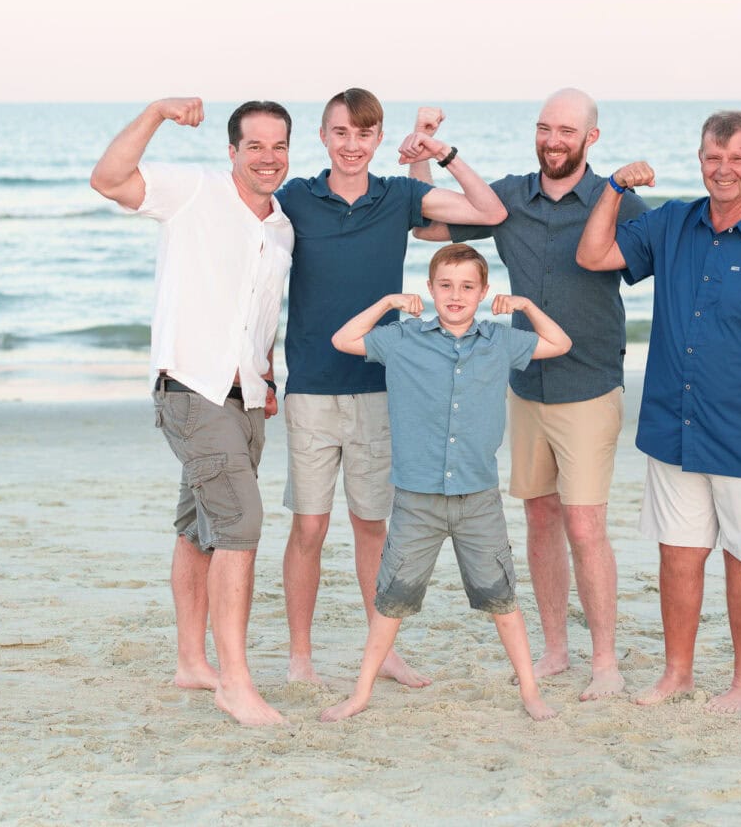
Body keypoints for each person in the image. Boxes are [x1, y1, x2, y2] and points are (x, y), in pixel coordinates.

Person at [576, 110, 741, 714]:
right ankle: (677, 673)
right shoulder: (673, 222)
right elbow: (594, 254)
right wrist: (613, 188)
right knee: (678, 555)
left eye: (737, 159)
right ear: (700, 160)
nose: (724, 170)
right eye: (713, 159)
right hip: (675, 425)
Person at [416, 87, 647, 700]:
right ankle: (554, 650)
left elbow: (667, 259)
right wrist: (419, 150)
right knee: (540, 517)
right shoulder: (510, 196)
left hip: (590, 383)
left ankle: (605, 662)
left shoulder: (614, 202)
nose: (553, 140)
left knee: (585, 525)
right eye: (545, 127)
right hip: (525, 383)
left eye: (567, 131)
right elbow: (425, 225)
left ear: (590, 138)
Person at [275, 89, 506, 689]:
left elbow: (489, 213)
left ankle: (386, 654)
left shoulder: (398, 195)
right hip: (311, 389)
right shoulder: (296, 197)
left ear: (379, 140)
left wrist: (437, 150)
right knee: (309, 527)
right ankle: (300, 656)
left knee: (373, 526)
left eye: (364, 135)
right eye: (341, 133)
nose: (352, 146)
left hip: (381, 389)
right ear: (323, 136)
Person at [89, 97, 294, 726]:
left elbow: (256, 310)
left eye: (278, 146)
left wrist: (264, 373)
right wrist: (155, 112)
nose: (267, 158)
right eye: (254, 146)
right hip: (190, 389)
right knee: (241, 525)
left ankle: (190, 662)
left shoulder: (282, 227)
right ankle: (236, 682)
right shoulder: (193, 192)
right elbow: (108, 179)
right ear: (232, 151)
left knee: (198, 528)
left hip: (245, 400)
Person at [320, 243, 570, 722]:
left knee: (502, 597)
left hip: (479, 498)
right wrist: (389, 304)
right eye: (446, 285)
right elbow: (343, 340)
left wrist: (526, 307)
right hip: (417, 499)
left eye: (467, 287)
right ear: (431, 288)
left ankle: (531, 692)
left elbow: (560, 345)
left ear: (483, 292)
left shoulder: (499, 341)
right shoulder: (403, 338)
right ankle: (361, 693)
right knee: (391, 600)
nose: (456, 296)